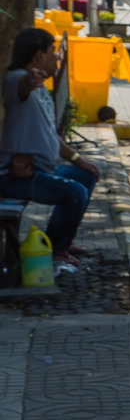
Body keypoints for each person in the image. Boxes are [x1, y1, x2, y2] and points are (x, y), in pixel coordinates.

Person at [0, 28, 100, 265]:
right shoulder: (16, 79)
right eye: (52, 51)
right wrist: (29, 80)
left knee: (85, 176)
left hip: (41, 171)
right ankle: (56, 249)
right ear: (38, 56)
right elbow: (21, 88)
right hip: (17, 177)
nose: (56, 57)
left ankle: (63, 240)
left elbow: (51, 136)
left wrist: (78, 159)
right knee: (76, 193)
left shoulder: (41, 88)